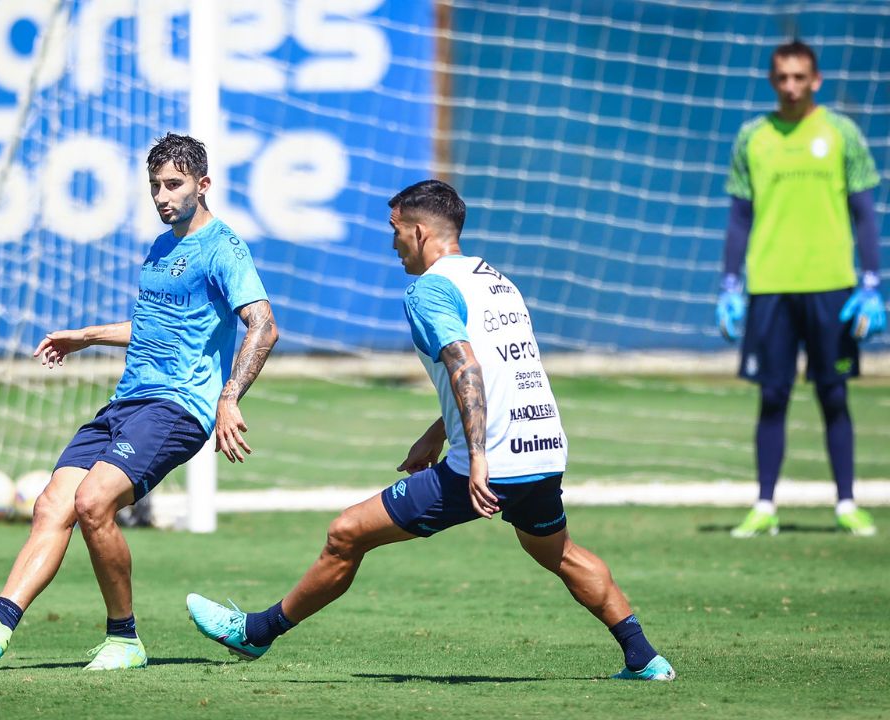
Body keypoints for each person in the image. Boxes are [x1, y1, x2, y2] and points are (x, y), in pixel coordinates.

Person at [186, 180, 676, 681]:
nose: (392, 243)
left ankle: (255, 633)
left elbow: (464, 364)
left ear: (418, 232)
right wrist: (438, 431)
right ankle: (644, 658)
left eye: (394, 230)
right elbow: (495, 369)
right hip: (543, 452)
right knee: (559, 552)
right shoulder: (495, 279)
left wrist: (477, 458)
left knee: (346, 534)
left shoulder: (427, 290)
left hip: (490, 463)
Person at [0, 133, 278, 671]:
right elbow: (156, 329)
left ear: (203, 185)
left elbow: (263, 326)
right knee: (52, 504)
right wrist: (85, 336)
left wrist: (229, 398)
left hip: (178, 407)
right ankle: (0, 615)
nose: (162, 196)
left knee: (93, 503)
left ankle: (124, 639)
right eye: (155, 186)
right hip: (128, 402)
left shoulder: (223, 247)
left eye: (173, 185)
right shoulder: (159, 248)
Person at [716, 40, 884, 538]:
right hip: (770, 287)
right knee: (773, 396)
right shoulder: (753, 137)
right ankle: (765, 505)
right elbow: (739, 218)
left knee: (834, 394)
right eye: (782, 77)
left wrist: (872, 283)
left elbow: (865, 214)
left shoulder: (841, 133)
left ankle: (847, 504)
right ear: (773, 80)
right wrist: (730, 285)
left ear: (816, 80)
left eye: (799, 77)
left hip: (833, 286)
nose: (790, 86)